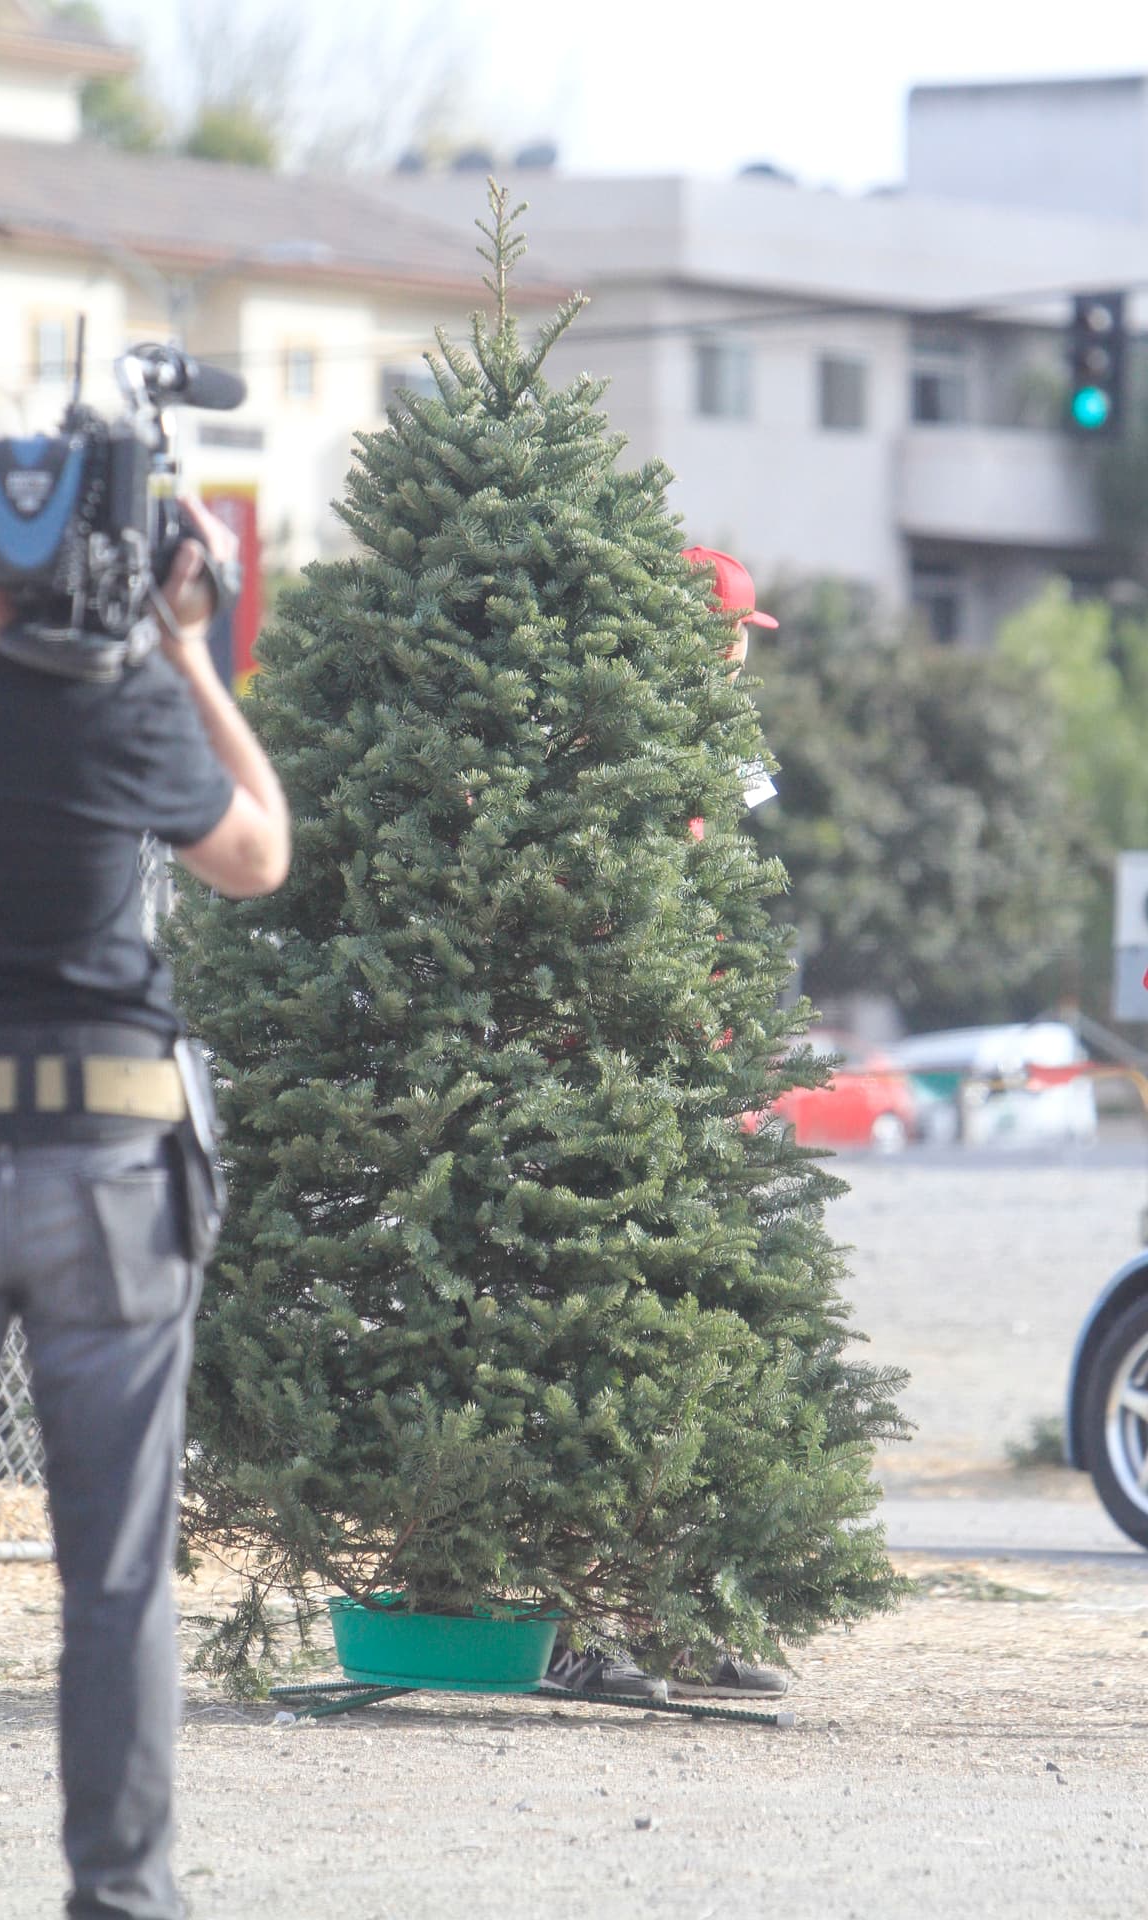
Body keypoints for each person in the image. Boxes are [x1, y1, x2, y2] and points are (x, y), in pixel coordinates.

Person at [0, 367, 290, 1920]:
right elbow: (258, 851)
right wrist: (182, 638)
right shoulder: (112, 692)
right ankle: (122, 1898)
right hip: (112, 1168)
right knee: (114, 1577)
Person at [541, 545, 786, 1706]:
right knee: (597, 1359)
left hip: (697, 1077)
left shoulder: (718, 750)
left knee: (685, 1363)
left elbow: (732, 890)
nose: (743, 660)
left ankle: (672, 1622)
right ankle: (560, 1628)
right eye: (735, 635)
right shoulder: (607, 749)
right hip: (618, 1083)